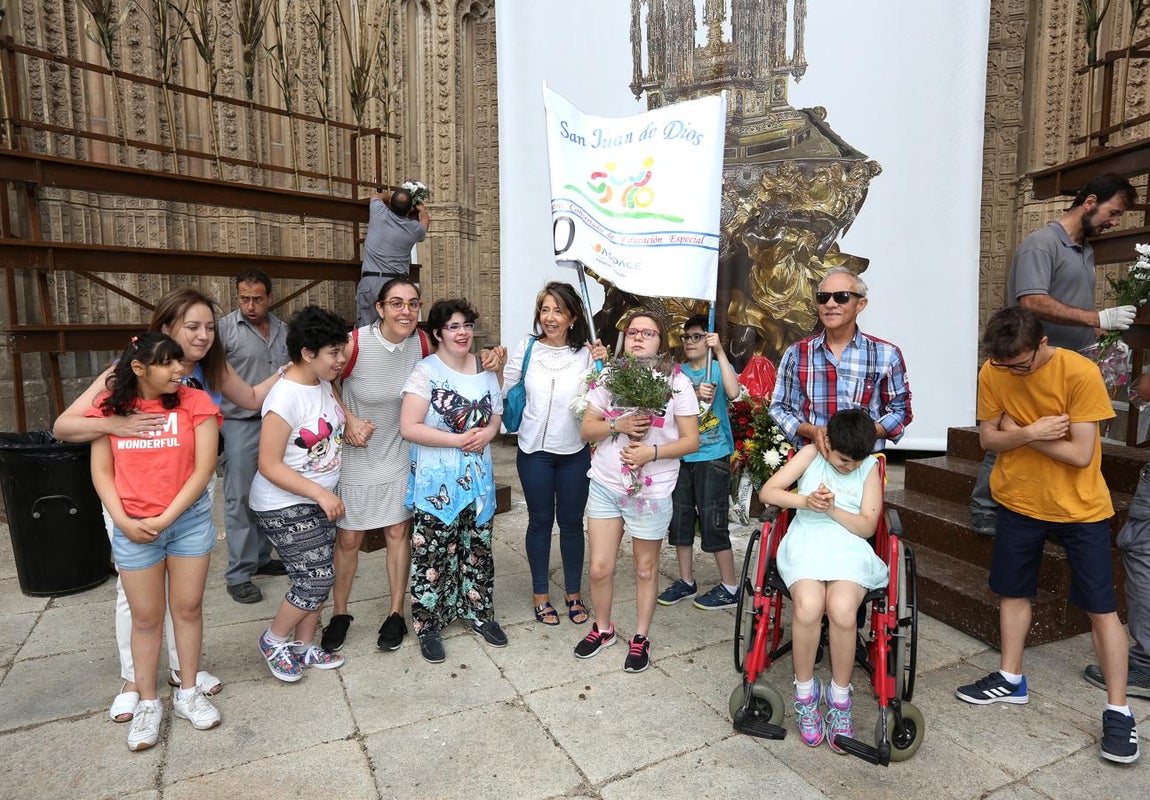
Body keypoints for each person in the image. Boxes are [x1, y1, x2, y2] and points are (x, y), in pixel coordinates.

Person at [53, 287, 281, 724]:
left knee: (186, 596)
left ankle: (182, 672)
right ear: (164, 330)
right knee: (136, 596)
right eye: (191, 327)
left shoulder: (206, 374)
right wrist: (117, 423)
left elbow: (251, 399)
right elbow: (64, 426)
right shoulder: (123, 377)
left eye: (210, 327)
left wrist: (289, 370)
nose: (202, 336)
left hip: (187, 497)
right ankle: (133, 681)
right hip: (130, 497)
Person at [954, 307, 1139, 765]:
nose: (1011, 372)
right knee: (1012, 592)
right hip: (1018, 500)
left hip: (1080, 508)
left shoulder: (1078, 372)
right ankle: (1010, 677)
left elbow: (1079, 454)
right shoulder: (994, 369)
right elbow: (986, 440)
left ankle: (1118, 710)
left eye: (1020, 364)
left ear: (1041, 344)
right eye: (1002, 365)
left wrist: (1018, 433)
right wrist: (1033, 431)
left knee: (1102, 610)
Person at [970, 173, 1138, 535]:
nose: (1114, 222)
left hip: (1066, 363)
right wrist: (1096, 316)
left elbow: (1070, 303)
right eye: (1114, 212)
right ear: (1090, 201)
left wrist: (1102, 331)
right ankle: (984, 508)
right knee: (1007, 429)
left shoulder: (1085, 250)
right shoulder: (1041, 243)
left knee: (1047, 437)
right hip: (1027, 360)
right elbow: (1031, 300)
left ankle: (1048, 513)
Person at [87, 333, 222, 751]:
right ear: (139, 368)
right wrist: (123, 521)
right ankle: (148, 703)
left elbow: (203, 469)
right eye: (167, 364)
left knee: (187, 609)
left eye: (179, 363)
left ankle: (187, 692)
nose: (178, 371)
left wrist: (166, 517)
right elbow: (102, 472)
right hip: (134, 528)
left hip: (187, 523)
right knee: (145, 619)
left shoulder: (196, 402)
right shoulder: (110, 410)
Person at [573, 309, 699, 673]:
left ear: (662, 342)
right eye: (632, 332)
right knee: (599, 568)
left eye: (649, 332)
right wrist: (618, 424)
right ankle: (603, 628)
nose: (639, 337)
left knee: (645, 569)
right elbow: (587, 430)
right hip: (606, 484)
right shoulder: (609, 377)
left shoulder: (676, 384)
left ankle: (641, 636)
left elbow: (691, 441)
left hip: (652, 491)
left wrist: (652, 452)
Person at [759, 409, 887, 752]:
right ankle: (805, 693)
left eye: (855, 462)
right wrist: (805, 501)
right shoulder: (812, 453)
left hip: (848, 543)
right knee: (808, 607)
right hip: (808, 539)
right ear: (827, 442)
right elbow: (768, 492)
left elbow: (867, 527)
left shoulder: (868, 467)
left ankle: (840, 697)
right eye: (843, 460)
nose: (848, 467)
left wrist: (831, 509)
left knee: (844, 611)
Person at [323, 277, 430, 653]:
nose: (406, 311)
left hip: (399, 449)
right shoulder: (354, 343)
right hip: (357, 451)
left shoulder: (421, 343)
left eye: (413, 303)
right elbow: (323, 380)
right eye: (397, 303)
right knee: (349, 536)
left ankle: (396, 613)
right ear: (380, 308)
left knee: (398, 533)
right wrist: (348, 419)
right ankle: (339, 613)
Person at [400, 298, 506, 664]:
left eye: (466, 325)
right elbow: (409, 427)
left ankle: (479, 613)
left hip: (477, 479)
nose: (462, 333)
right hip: (438, 482)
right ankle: (428, 625)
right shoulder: (425, 372)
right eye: (453, 327)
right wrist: (459, 440)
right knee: (433, 553)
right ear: (438, 334)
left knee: (476, 549)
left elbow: (495, 414)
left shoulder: (485, 367)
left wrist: (489, 433)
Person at [251, 306, 350, 683]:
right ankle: (274, 638)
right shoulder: (284, 397)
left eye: (342, 350)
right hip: (284, 503)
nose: (341, 360)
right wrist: (320, 495)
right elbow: (269, 464)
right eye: (333, 353)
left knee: (318, 571)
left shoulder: (321, 381)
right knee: (315, 579)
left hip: (317, 498)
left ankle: (303, 645)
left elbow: (333, 413)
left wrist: (352, 423)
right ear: (307, 353)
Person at [501, 282, 606, 626]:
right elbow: (505, 387)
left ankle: (573, 594)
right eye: (545, 310)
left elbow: (602, 400)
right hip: (534, 452)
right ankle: (540, 594)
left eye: (558, 310)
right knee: (540, 521)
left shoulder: (587, 355)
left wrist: (604, 367)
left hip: (575, 452)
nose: (550, 317)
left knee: (573, 524)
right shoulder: (527, 348)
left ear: (573, 317)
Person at [769, 267, 912, 457]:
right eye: (823, 297)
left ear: (861, 304)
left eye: (841, 297)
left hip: (865, 462)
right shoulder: (797, 353)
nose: (830, 304)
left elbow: (900, 410)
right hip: (812, 460)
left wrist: (861, 435)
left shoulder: (886, 355)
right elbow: (780, 408)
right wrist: (812, 431)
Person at [658, 314, 742, 610]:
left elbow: (734, 393)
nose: (690, 342)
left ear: (708, 339)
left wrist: (719, 351)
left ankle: (731, 587)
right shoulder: (676, 373)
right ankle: (686, 581)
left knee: (713, 518)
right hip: (680, 455)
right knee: (679, 518)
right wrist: (692, 393)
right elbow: (663, 406)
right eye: (686, 337)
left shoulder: (716, 369)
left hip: (713, 454)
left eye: (697, 337)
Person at [217, 269, 290, 604]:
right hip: (240, 423)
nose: (250, 305)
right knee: (240, 497)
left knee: (270, 492)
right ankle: (239, 573)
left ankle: (262, 557)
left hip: (277, 423)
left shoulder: (282, 330)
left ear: (269, 298)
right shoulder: (224, 331)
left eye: (257, 299)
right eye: (244, 298)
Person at [356, 187, 429, 327]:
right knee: (395, 329)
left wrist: (389, 196)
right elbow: (425, 223)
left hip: (371, 281)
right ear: (409, 211)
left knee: (365, 329)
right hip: (396, 285)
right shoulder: (413, 229)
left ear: (389, 204)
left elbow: (375, 195)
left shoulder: (379, 213)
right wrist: (422, 210)